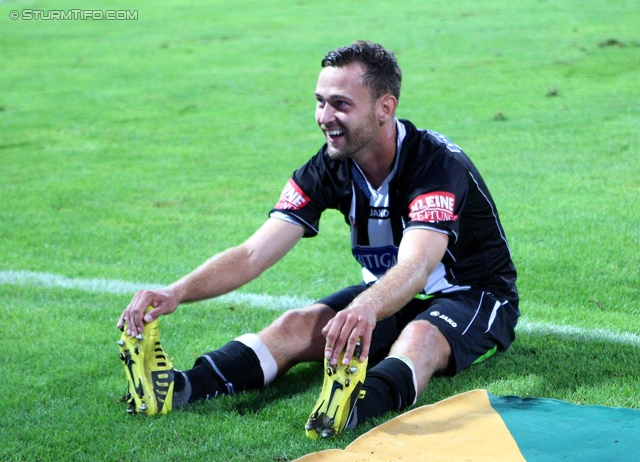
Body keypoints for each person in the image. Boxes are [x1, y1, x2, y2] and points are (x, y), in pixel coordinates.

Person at [116, 40, 519, 438]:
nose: (325, 116)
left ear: (385, 108)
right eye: (320, 101)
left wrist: (364, 308)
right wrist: (176, 292)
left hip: (476, 295)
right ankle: (180, 387)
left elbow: (417, 267)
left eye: (341, 104)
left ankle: (353, 410)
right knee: (296, 325)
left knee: (421, 337)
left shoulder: (436, 165)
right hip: (387, 292)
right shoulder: (328, 165)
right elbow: (254, 253)